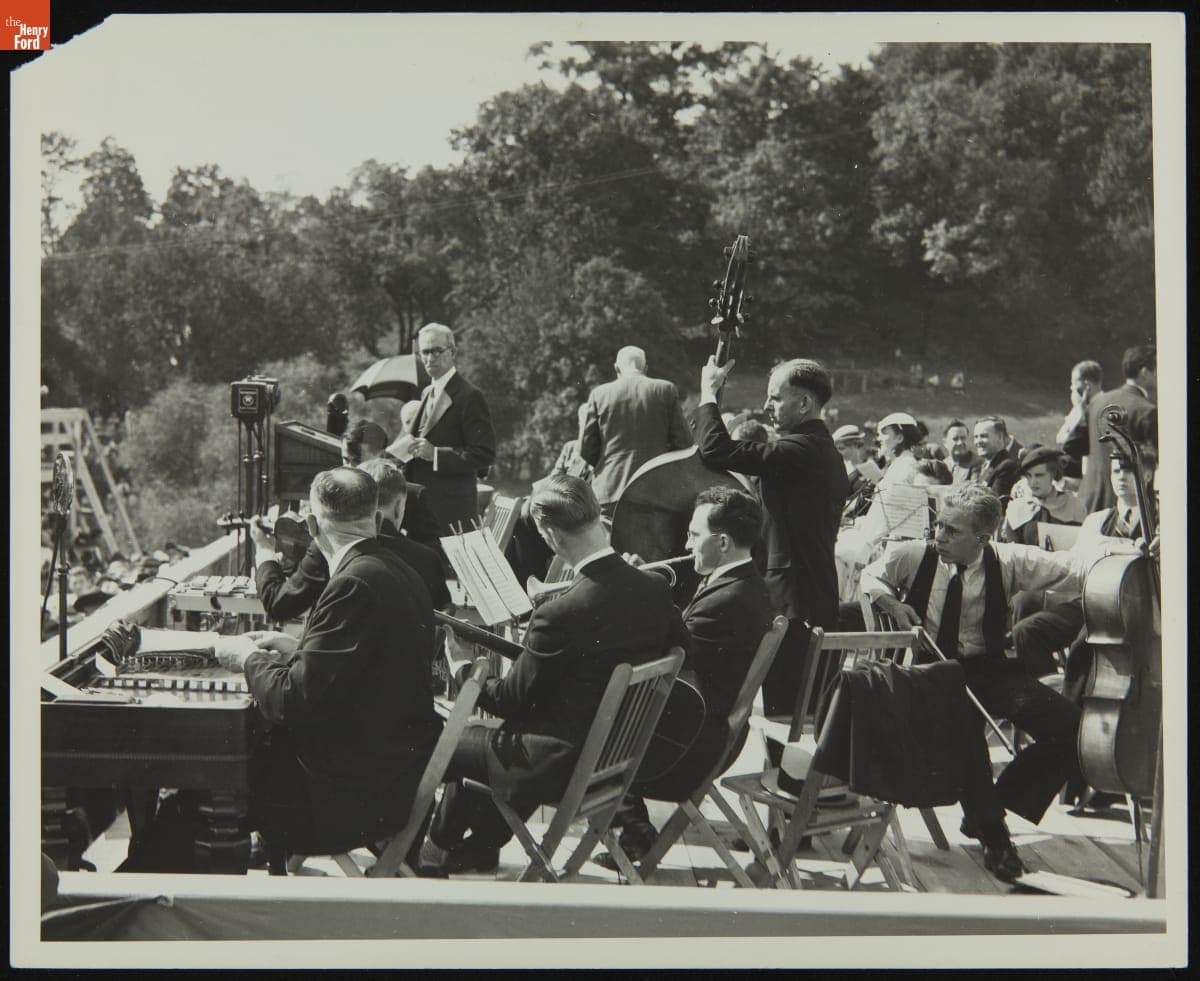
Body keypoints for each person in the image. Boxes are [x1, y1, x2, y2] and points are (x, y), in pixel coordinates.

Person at [421, 475, 688, 874]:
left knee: (448, 738)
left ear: (550, 535)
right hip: (613, 758)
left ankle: (430, 855)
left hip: (560, 762)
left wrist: (462, 667)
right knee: (481, 735)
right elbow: (682, 649)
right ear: (597, 516)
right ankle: (480, 847)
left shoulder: (561, 612)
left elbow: (509, 699)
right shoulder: (652, 588)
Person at [859, 484, 1085, 881]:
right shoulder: (914, 554)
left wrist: (1130, 554)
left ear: (983, 538)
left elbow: (1073, 568)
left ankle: (994, 804)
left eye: (952, 531)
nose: (940, 537)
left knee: (1072, 727)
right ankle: (996, 838)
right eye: (940, 526)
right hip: (932, 673)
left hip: (990, 669)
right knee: (967, 731)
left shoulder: (1009, 560)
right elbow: (870, 576)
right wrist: (893, 604)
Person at [217, 468, 443, 859]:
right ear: (375, 519)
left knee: (204, 789)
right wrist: (298, 650)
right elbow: (369, 671)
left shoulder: (353, 583)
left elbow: (291, 701)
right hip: (391, 778)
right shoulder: (397, 569)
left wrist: (248, 658)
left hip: (345, 801)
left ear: (310, 525)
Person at [601, 487, 775, 865]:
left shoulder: (728, 599)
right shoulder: (739, 583)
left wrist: (628, 590)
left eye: (695, 535)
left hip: (692, 745)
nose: (686, 542)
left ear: (724, 542)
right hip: (709, 730)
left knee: (590, 716)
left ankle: (635, 829)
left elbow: (661, 653)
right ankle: (636, 831)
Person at [695, 356, 848, 721]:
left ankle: (784, 779)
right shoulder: (820, 452)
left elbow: (715, 450)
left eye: (775, 398)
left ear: (804, 403)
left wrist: (708, 392)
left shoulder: (800, 450)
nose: (765, 408)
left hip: (795, 605)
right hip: (810, 597)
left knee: (788, 716)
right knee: (796, 713)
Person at [1011, 448, 1158, 688]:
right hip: (1093, 602)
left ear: (1149, 474)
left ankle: (1073, 701)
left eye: (1130, 470)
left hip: (1138, 610)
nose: (1121, 477)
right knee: (1026, 632)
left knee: (1083, 644)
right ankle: (1054, 701)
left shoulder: (1162, 519)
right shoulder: (1098, 520)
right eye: (1116, 470)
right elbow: (1075, 567)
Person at [253, 460, 451, 623]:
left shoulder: (328, 549)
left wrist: (264, 550)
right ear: (399, 506)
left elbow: (279, 606)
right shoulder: (428, 559)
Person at [397, 323, 497, 534]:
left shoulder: (469, 395)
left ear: (452, 352)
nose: (430, 357)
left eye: (437, 351)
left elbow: (484, 455)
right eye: (425, 351)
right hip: (421, 511)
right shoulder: (427, 393)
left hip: (451, 514)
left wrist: (435, 455)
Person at [579, 345, 694, 518]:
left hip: (610, 490)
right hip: (656, 490)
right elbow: (684, 443)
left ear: (616, 368)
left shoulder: (599, 394)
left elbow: (586, 449)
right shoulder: (665, 389)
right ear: (645, 368)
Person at [341, 419, 443, 552]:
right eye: (345, 460)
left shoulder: (411, 496)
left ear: (382, 456)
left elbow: (433, 551)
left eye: (356, 461)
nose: (350, 469)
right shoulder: (338, 493)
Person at [1078, 344, 1157, 513]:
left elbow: (1072, 446)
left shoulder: (1097, 402)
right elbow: (1153, 464)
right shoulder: (1146, 410)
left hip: (1090, 501)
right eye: (1156, 370)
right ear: (1144, 373)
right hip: (1129, 507)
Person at [1000, 445, 1087, 547]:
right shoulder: (1017, 508)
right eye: (1028, 475)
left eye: (1039, 475)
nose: (1033, 482)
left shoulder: (1074, 506)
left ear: (1052, 474)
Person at [1056, 360, 1103, 480]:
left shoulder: (1103, 407)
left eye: (1074, 384)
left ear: (1086, 385)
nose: (1071, 389)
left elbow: (1067, 443)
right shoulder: (1079, 408)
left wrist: (1081, 413)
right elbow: (1060, 438)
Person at [972, 416, 1020, 510]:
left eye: (983, 436)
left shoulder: (1006, 467)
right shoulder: (988, 464)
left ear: (1000, 437)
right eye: (976, 437)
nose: (978, 441)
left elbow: (996, 506)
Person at [940, 419, 979, 484]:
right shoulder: (941, 465)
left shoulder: (978, 464)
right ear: (945, 443)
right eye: (955, 439)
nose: (960, 442)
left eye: (963, 438)